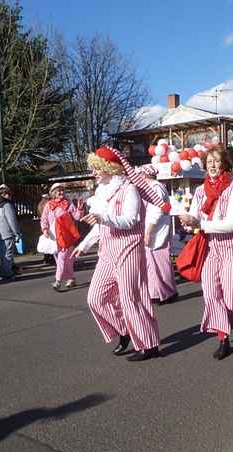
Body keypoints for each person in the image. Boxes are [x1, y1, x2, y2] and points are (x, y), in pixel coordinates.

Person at [72, 145, 160, 362]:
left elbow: (131, 220)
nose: (93, 172)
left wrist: (104, 219)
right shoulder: (101, 192)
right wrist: (84, 245)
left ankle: (148, 344)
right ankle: (125, 330)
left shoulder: (128, 189)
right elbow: (99, 225)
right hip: (107, 251)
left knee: (130, 297)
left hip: (128, 248)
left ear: (109, 168)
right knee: (95, 298)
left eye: (96, 168)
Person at [179, 146, 233, 360]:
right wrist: (187, 222)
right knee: (211, 295)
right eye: (209, 161)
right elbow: (194, 220)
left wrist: (200, 224)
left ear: (224, 164)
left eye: (216, 161)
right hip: (211, 248)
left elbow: (231, 224)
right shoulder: (200, 191)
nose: (212, 165)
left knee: (232, 300)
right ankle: (223, 338)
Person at [139, 165, 178, 305]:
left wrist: (149, 232)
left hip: (157, 231)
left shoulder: (156, 188)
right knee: (152, 263)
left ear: (145, 175)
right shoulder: (151, 188)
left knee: (161, 264)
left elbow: (157, 211)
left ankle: (168, 292)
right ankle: (155, 292)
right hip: (154, 230)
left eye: (140, 175)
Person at [40, 183, 82, 291]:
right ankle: (71, 278)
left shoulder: (67, 204)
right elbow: (44, 219)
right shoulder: (49, 205)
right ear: (53, 193)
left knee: (62, 258)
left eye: (62, 191)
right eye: (58, 191)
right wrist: (44, 229)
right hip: (54, 237)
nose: (61, 193)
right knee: (64, 260)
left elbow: (77, 217)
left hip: (66, 236)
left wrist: (80, 209)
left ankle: (57, 281)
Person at [0, 185, 22, 281]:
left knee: (3, 255)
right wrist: (17, 233)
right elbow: (12, 221)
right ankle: (7, 274)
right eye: (9, 194)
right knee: (8, 254)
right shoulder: (6, 205)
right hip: (8, 233)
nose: (10, 196)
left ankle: (4, 273)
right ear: (4, 194)